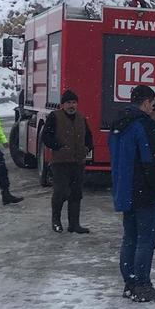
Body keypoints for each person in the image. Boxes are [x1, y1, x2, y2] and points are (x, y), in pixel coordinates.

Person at [109, 85, 155, 303]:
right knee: (147, 239)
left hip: (125, 190)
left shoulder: (119, 123)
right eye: (152, 103)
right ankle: (142, 285)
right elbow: (151, 162)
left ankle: (130, 283)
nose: (153, 107)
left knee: (130, 238)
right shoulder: (143, 125)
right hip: (145, 192)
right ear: (146, 102)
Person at [41, 89, 93, 233]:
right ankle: (56, 221)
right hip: (60, 162)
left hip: (78, 162)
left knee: (76, 194)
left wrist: (87, 148)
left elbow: (89, 137)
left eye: (74, 103)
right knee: (61, 192)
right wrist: (58, 147)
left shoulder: (81, 118)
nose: (72, 106)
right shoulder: (55, 117)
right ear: (62, 105)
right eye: (69, 103)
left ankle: (74, 224)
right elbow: (46, 136)